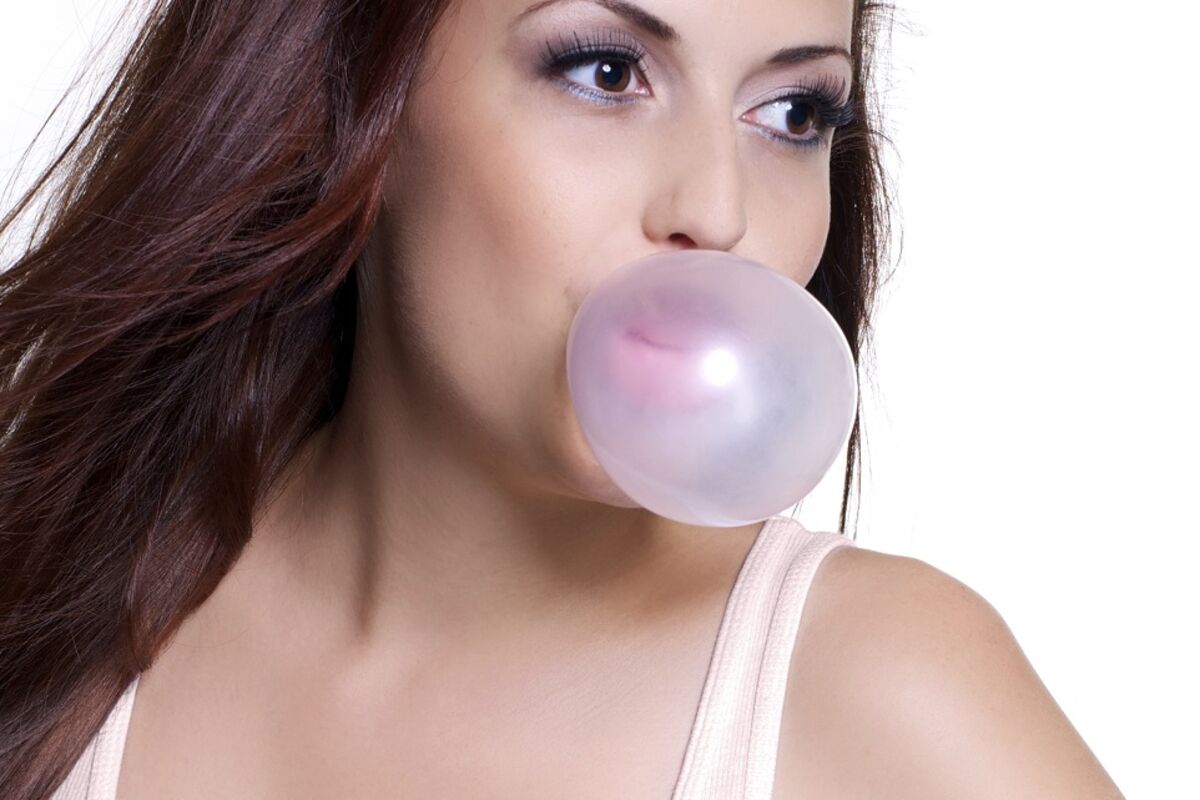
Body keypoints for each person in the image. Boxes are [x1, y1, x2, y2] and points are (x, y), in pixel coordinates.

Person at [0, 0, 1125, 797]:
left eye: (793, 113)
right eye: (605, 71)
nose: (718, 211)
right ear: (359, 94)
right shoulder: (61, 614)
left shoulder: (885, 687)